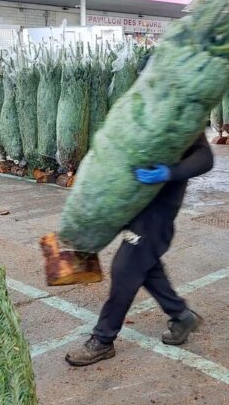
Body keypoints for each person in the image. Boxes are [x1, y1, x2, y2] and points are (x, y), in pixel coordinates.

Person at [65, 133, 214, 366]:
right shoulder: (143, 105)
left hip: (156, 214)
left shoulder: (179, 111)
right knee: (147, 268)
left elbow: (205, 158)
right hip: (134, 205)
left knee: (125, 269)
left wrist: (169, 172)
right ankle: (182, 316)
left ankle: (103, 340)